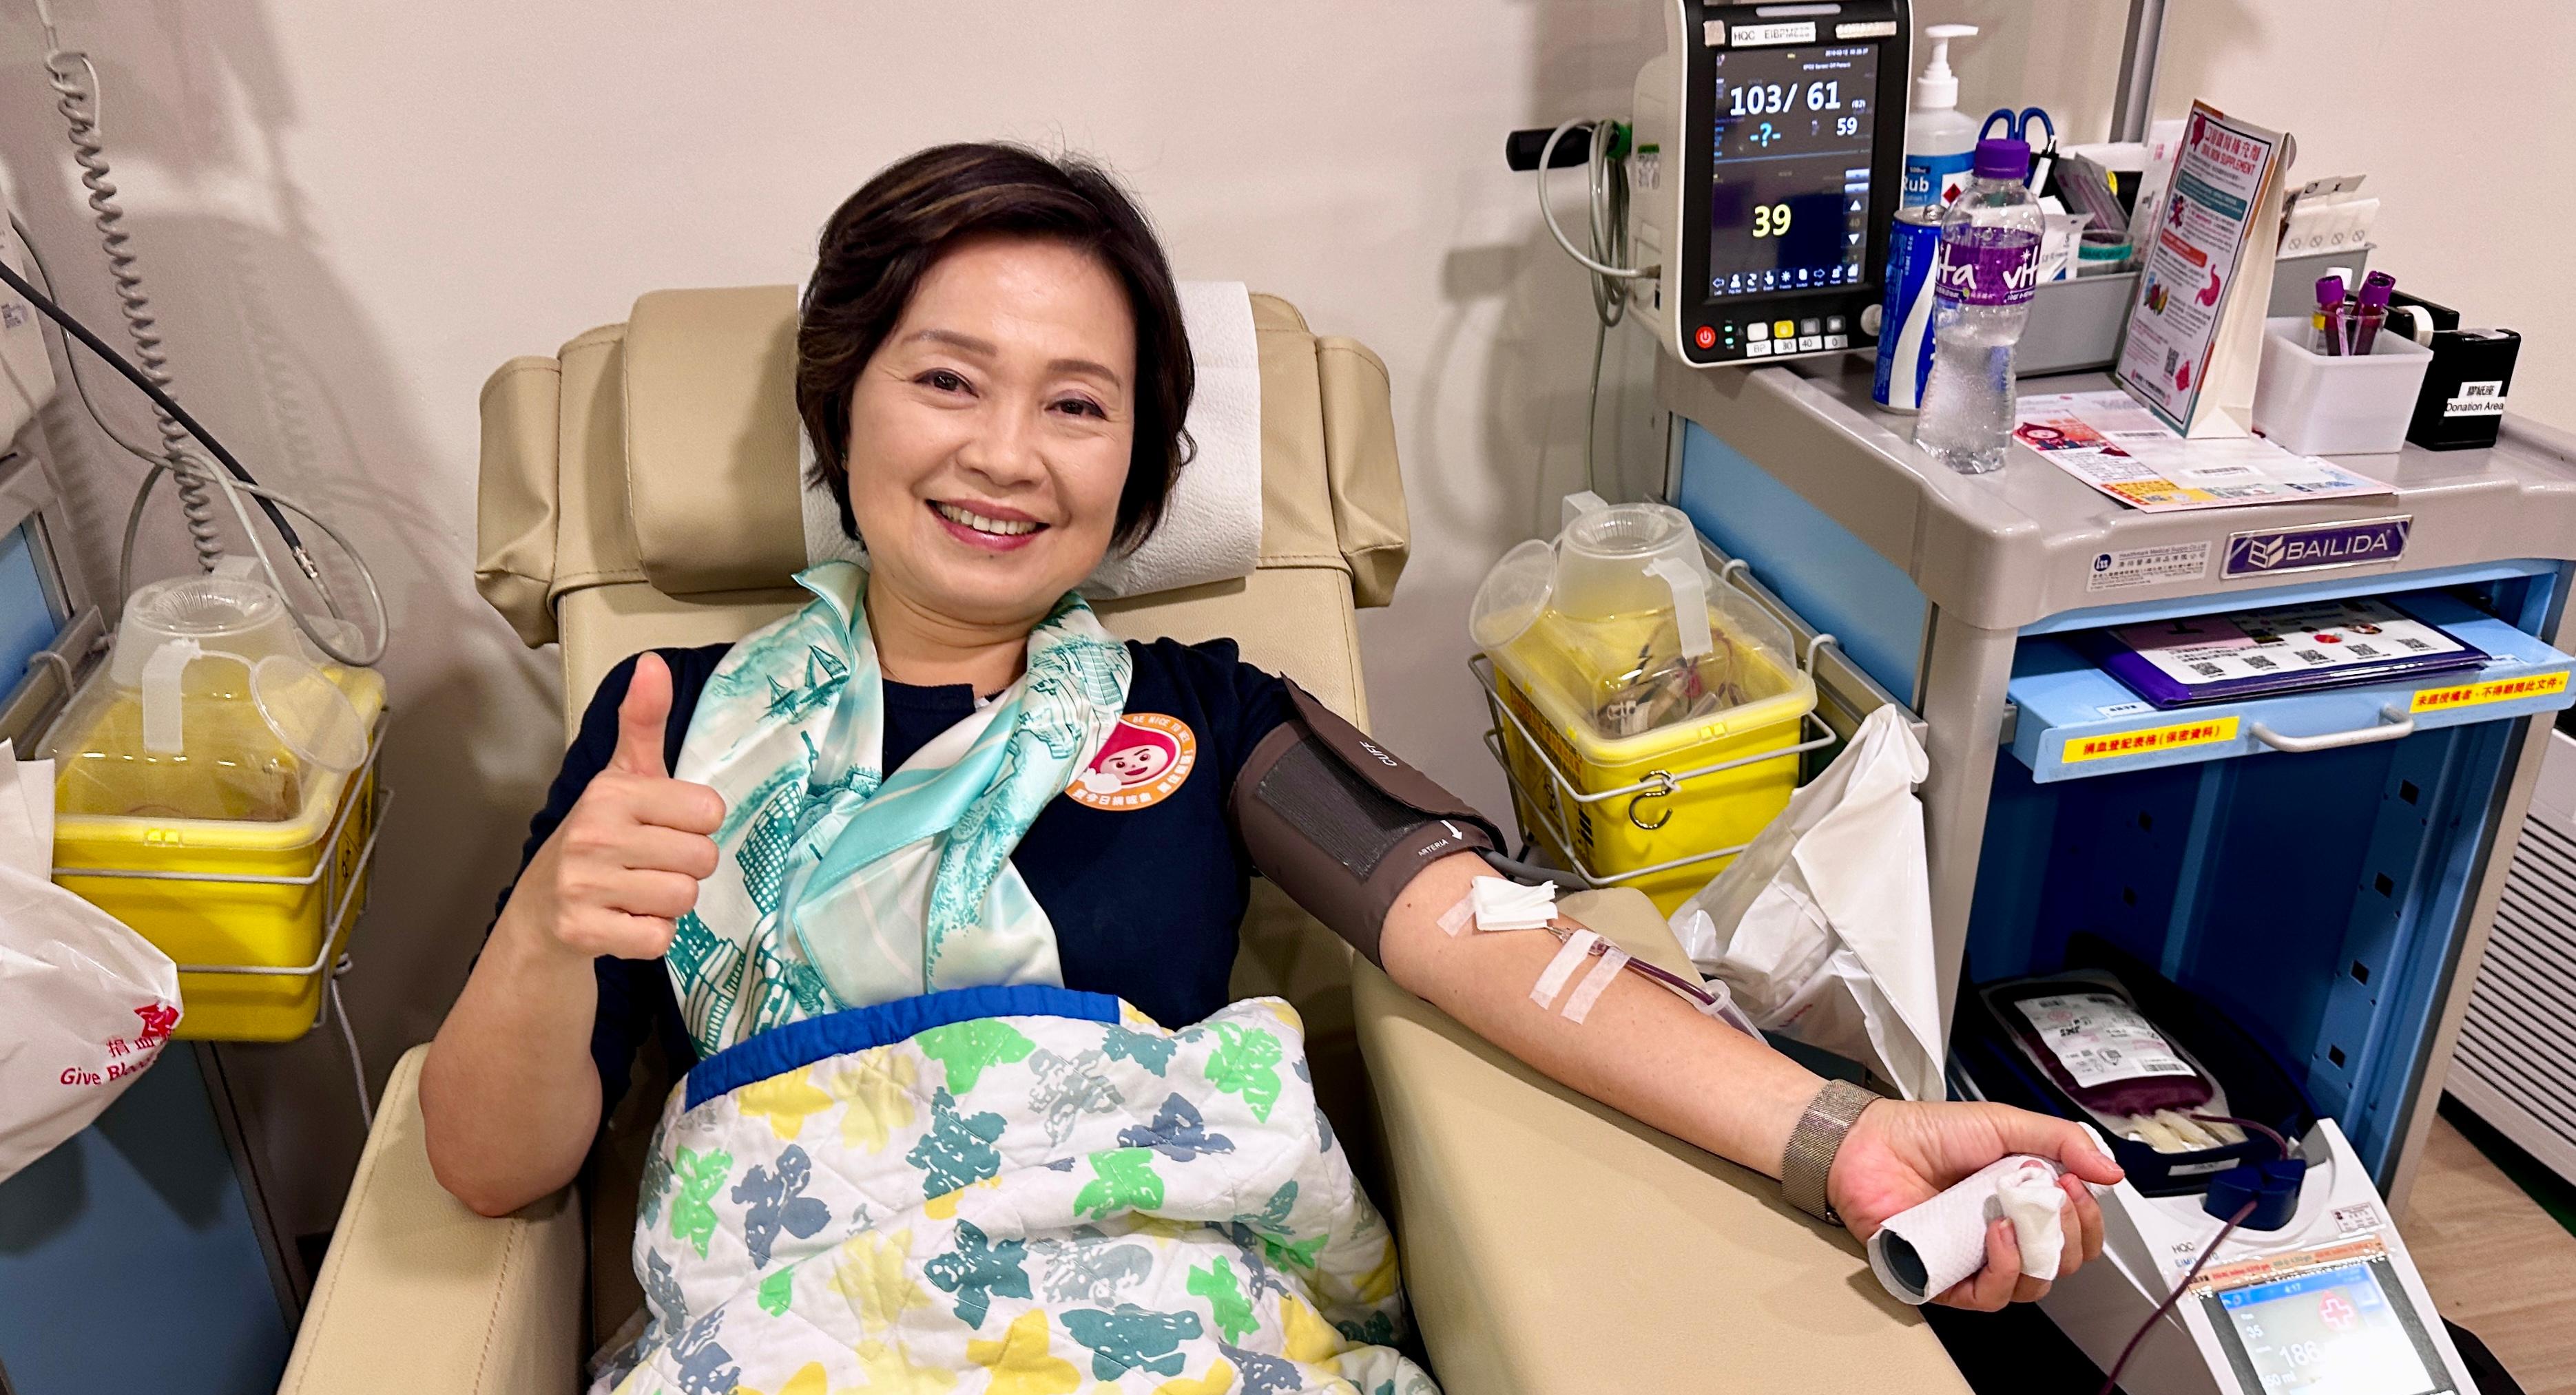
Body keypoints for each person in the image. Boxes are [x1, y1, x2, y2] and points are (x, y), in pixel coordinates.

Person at [422, 141, 2120, 1313]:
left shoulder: (1210, 712)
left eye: (1077, 406)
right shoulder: (672, 735)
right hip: (792, 1346)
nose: (1008, 453)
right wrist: (549, 930)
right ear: (841, 399)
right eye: (945, 378)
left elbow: (1494, 939)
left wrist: (1839, 1132)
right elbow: (496, 1167)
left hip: (1152, 1340)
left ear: (1139, 471)